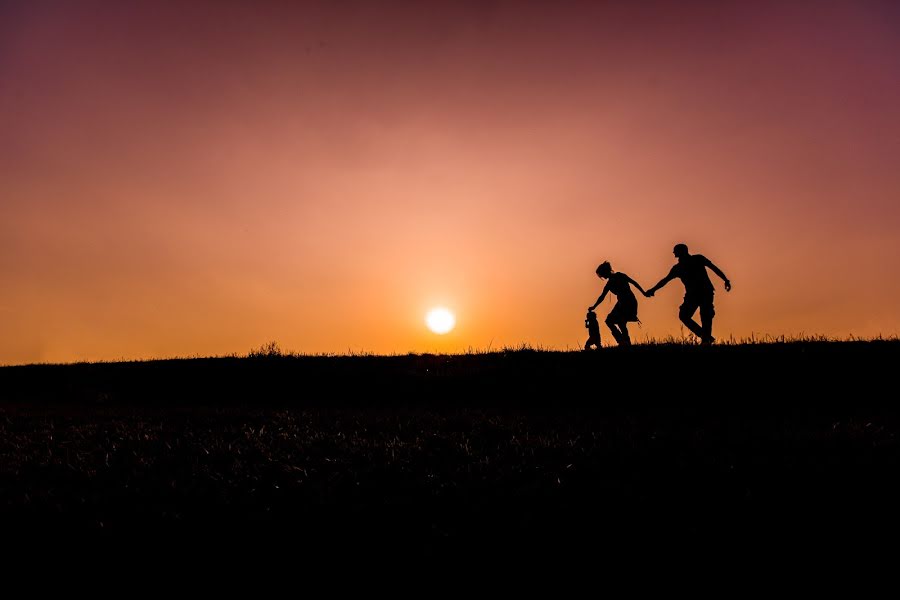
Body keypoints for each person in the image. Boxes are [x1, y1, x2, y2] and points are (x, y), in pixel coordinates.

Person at [645, 243, 731, 345]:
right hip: (696, 294)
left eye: (675, 251)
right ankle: (706, 337)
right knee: (688, 315)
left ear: (681, 252)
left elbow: (713, 268)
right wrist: (653, 289)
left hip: (703, 292)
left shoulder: (695, 260)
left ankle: (706, 340)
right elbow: (665, 280)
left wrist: (725, 279)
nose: (674, 253)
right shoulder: (680, 267)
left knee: (705, 316)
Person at [588, 261, 648, 346]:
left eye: (602, 274)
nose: (603, 277)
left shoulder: (619, 277)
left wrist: (644, 293)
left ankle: (622, 341)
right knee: (621, 323)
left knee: (611, 321)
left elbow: (634, 283)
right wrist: (594, 306)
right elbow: (602, 296)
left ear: (605, 272)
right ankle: (626, 342)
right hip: (623, 302)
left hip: (627, 302)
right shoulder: (612, 281)